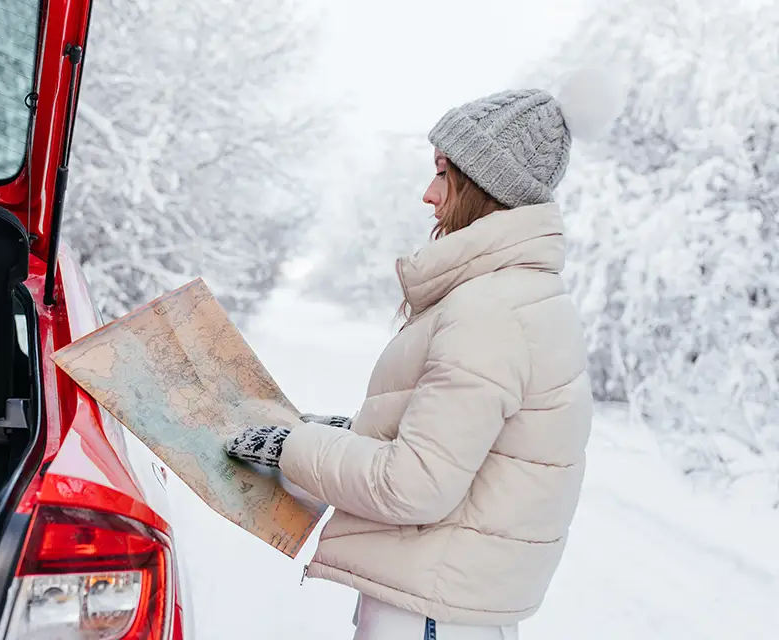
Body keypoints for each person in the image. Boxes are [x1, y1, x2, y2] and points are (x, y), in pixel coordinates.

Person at [225, 69, 623, 640]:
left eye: (443, 174)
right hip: (445, 604)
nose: (428, 193)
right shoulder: (516, 296)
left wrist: (295, 446)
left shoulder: (491, 311)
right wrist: (345, 432)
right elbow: (456, 446)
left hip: (429, 616)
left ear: (487, 188)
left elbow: (413, 485)